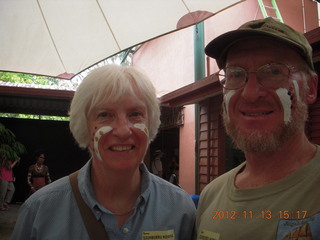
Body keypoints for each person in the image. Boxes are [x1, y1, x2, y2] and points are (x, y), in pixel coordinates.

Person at [12, 65, 196, 239]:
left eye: (135, 113)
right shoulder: (38, 211)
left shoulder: (180, 209)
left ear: (150, 122)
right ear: (84, 126)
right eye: (105, 114)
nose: (123, 130)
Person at [196, 18, 319, 239]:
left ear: (310, 88)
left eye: (274, 72)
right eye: (235, 74)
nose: (251, 94)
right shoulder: (211, 196)